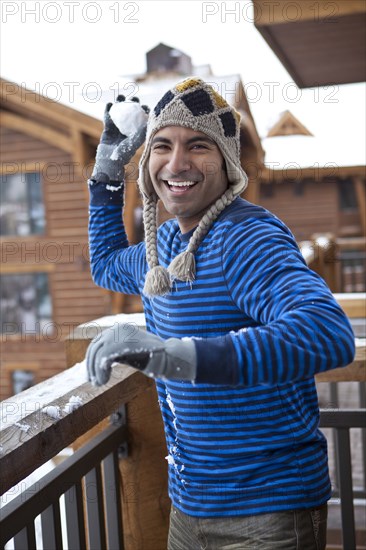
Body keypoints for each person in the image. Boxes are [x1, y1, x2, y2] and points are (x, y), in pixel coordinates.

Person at [86, 78, 355, 549]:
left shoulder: (244, 238)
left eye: (198, 146)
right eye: (162, 146)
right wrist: (108, 173)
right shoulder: (163, 246)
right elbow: (106, 264)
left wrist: (175, 356)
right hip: (190, 506)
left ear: (227, 163)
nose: (177, 163)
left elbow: (326, 332)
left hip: (267, 509)